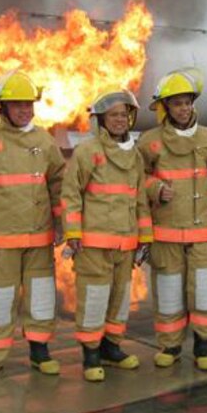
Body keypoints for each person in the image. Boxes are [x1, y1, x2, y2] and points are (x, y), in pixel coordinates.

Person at [0, 70, 66, 378]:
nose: (24, 110)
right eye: (17, 104)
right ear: (1, 107)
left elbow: (58, 185)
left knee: (42, 299)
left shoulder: (44, 141)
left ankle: (40, 351)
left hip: (39, 240)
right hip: (0, 242)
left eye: (28, 104)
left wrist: (62, 224)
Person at [137, 68, 207, 371]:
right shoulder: (149, 143)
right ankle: (170, 346)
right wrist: (154, 188)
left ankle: (203, 345)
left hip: (202, 233)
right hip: (166, 235)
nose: (184, 108)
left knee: (203, 292)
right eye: (177, 103)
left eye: (188, 102)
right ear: (165, 107)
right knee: (169, 292)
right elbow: (137, 179)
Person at [61, 89, 153, 382]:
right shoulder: (87, 152)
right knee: (95, 298)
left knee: (120, 298)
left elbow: (139, 199)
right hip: (94, 244)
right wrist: (73, 232)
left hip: (125, 244)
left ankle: (111, 348)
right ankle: (90, 354)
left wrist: (145, 239)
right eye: (113, 115)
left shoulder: (134, 156)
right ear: (101, 120)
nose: (119, 120)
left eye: (124, 115)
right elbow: (71, 194)